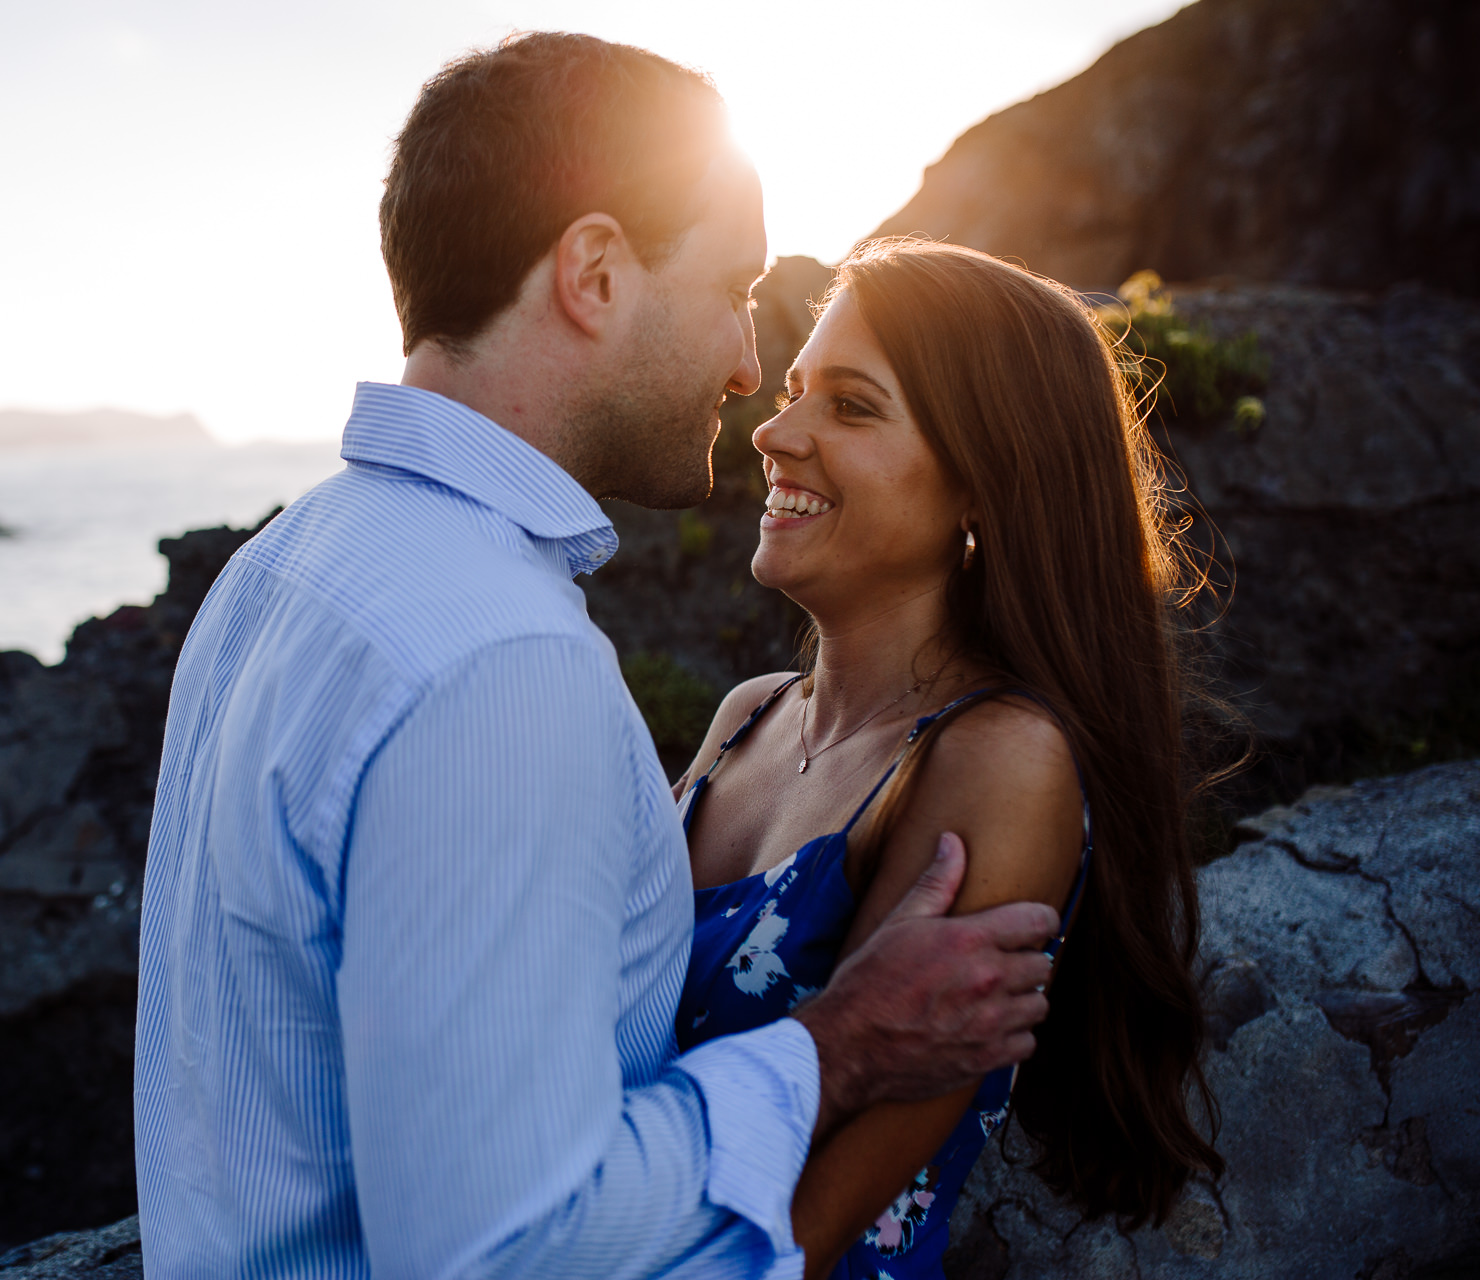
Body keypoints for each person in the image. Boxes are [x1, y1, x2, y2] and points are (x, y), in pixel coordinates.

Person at [133, 35, 1060, 1278]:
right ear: (596, 272)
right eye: (735, 290)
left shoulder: (282, 568)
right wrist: (832, 1047)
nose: (748, 374)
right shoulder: (498, 661)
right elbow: (500, 1249)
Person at [672, 239, 1225, 1279]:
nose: (776, 433)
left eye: (853, 406)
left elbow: (819, 1212)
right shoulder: (746, 718)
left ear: (984, 482)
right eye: (794, 392)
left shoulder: (1000, 761)